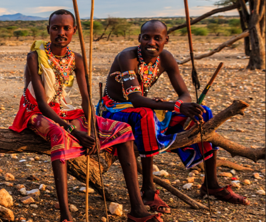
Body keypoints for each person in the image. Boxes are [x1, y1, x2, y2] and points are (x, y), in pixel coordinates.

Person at [9, 10, 161, 222]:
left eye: (66, 28)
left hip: (65, 109)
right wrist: (74, 131)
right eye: (55, 28)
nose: (61, 33)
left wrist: (91, 130)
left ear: (74, 30)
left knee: (123, 130)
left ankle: (137, 208)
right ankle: (65, 215)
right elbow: (42, 104)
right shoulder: (35, 56)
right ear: (48, 30)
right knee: (59, 135)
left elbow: (85, 99)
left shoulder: (77, 59)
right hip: (35, 112)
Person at [98, 20, 249, 214]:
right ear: (139, 39)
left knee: (204, 112)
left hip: (144, 105)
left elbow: (184, 94)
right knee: (145, 115)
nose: (151, 42)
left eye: (157, 38)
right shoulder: (127, 57)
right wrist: (175, 106)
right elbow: (135, 99)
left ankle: (211, 183)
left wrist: (182, 106)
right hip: (114, 110)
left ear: (166, 40)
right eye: (146, 37)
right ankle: (148, 190)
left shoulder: (166, 58)